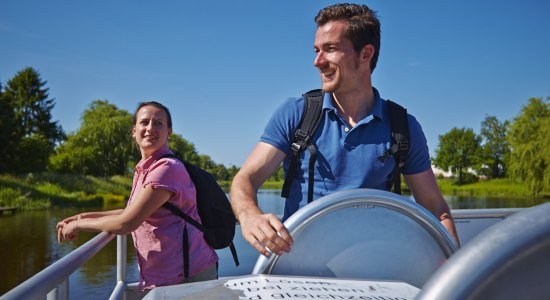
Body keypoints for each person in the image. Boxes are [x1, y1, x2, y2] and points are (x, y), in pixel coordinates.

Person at [230, 3, 460, 258]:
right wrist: (249, 214)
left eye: (329, 49)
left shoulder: (403, 127)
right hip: (298, 267)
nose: (317, 61)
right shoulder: (297, 114)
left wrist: (454, 268)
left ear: (365, 54)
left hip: (376, 266)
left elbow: (435, 208)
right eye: (316, 50)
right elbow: (245, 180)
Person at [57, 101, 218, 293]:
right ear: (134, 130)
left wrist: (78, 226)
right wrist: (82, 217)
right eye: (144, 122)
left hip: (189, 276)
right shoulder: (145, 168)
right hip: (170, 276)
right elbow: (131, 211)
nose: (150, 128)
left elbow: (127, 224)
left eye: (158, 123)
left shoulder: (166, 169)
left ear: (169, 132)